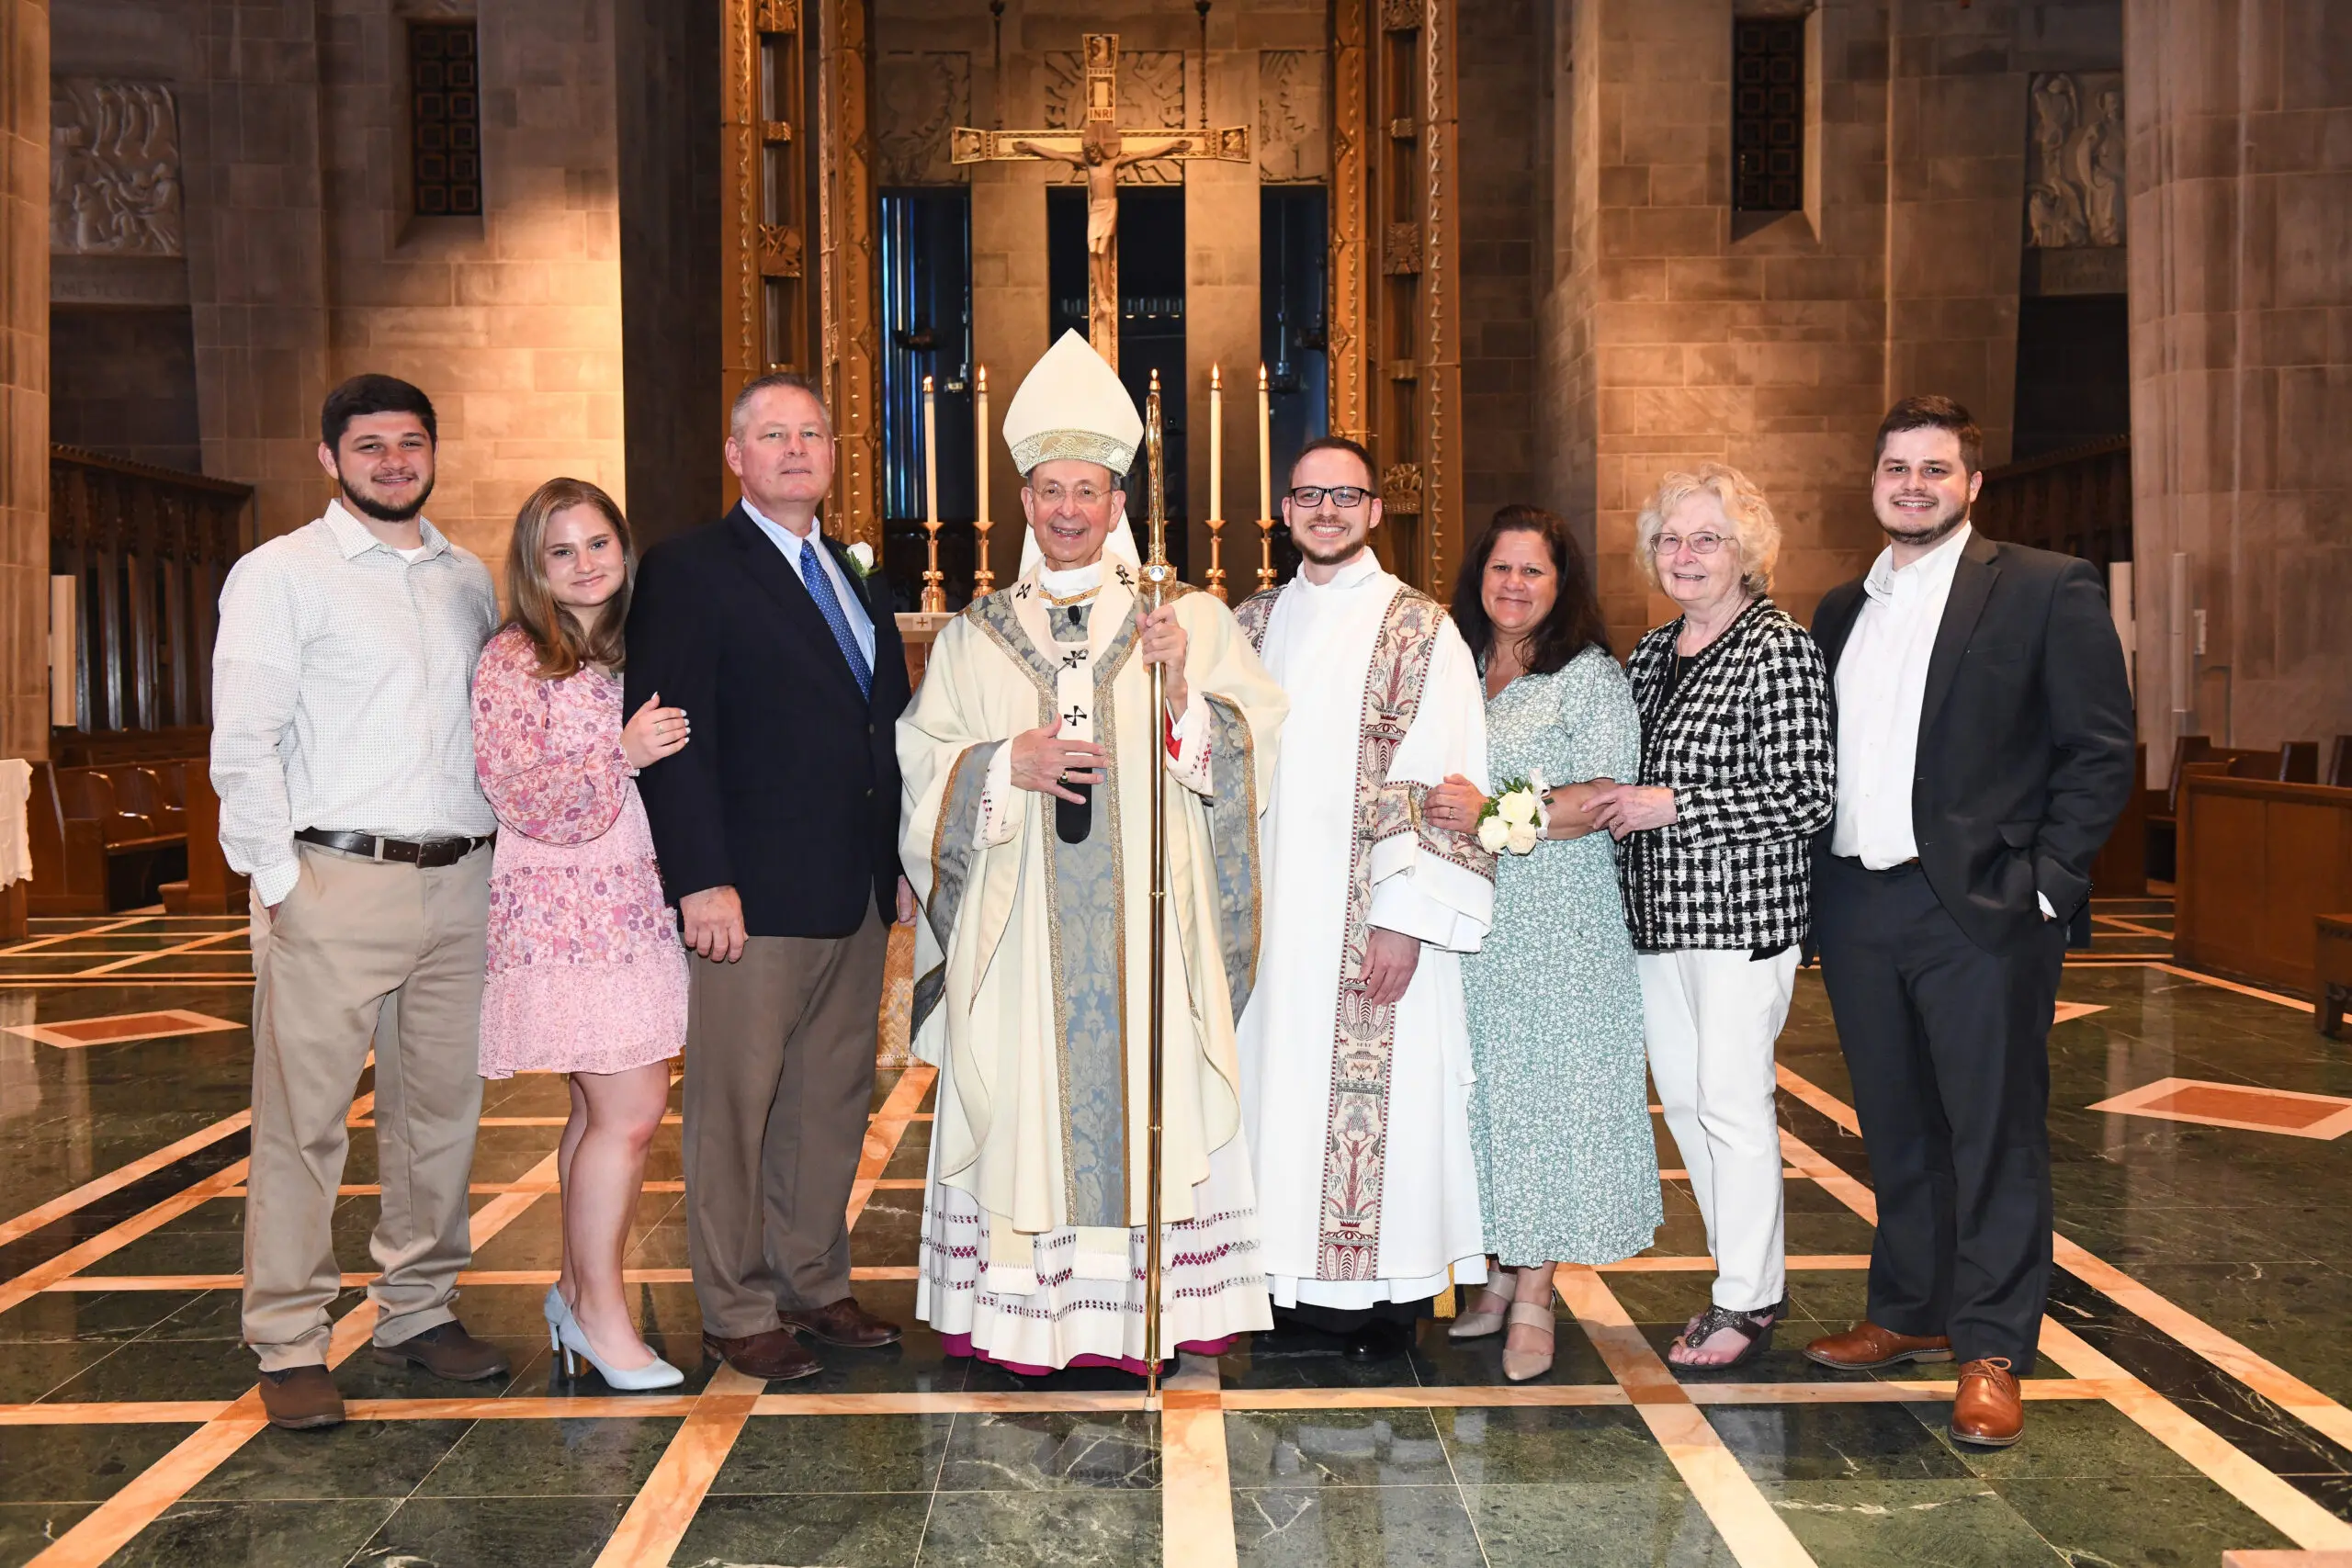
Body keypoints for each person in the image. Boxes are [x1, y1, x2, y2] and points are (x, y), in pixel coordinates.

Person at [898, 331, 1288, 1372]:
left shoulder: (1184, 620)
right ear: (1024, 502)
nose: (1069, 510)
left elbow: (1251, 756)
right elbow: (921, 764)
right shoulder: (976, 636)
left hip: (1149, 942)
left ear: (1119, 503)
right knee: (1024, 1104)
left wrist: (1181, 695)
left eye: (1090, 490)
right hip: (1020, 941)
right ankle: (1026, 1324)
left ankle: (1152, 1316)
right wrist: (994, 765)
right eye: (1050, 491)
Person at [1802, 397, 2132, 1448]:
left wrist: (2045, 883)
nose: (1913, 485)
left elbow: (2099, 749)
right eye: (1895, 467)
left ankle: (1990, 1345)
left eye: (1934, 469)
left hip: (1978, 906)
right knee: (1896, 1127)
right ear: (1872, 481)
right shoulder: (1837, 610)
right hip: (1858, 901)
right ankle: (1909, 1312)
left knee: (1992, 1135)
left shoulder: (2041, 587)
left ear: (1971, 485)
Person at [211, 374, 505, 1431]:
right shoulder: (279, 574)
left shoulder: (469, 577)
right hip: (334, 879)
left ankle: (419, 1311)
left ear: (434, 453)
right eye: (369, 445)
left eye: (411, 442)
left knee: (441, 1118)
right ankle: (288, 1338)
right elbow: (243, 744)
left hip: (461, 879)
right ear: (329, 459)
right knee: (304, 1126)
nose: (393, 461)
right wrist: (282, 885)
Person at [626, 373, 914, 1384]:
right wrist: (701, 878)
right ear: (736, 456)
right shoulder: (691, 568)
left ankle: (813, 1281)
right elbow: (672, 735)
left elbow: (885, 731)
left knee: (830, 1101)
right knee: (734, 1108)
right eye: (772, 435)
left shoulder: (855, 571)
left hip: (854, 890)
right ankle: (736, 1305)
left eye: (813, 435)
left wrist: (901, 866)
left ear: (834, 456)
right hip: (748, 893)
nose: (796, 449)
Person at [1234, 436, 1495, 1364]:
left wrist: (1401, 921)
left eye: (1346, 495)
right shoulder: (1249, 624)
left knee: (1378, 1099)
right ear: (1287, 510)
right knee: (1273, 1089)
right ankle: (1272, 1282)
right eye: (1308, 496)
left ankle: (1376, 1301)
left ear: (1377, 510)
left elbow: (1443, 780)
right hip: (1269, 924)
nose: (1327, 511)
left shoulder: (1420, 630)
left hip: (1368, 923)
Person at [1584, 464, 1835, 1371]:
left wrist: (1675, 804)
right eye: (1669, 539)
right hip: (1656, 919)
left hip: (1740, 919)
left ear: (1746, 552)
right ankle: (1734, 1279)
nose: (1684, 556)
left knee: (1732, 1103)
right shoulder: (1650, 653)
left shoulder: (1780, 648)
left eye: (1706, 539)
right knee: (1687, 1103)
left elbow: (1807, 796)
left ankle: (1748, 1298)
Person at [1423, 506, 1660, 1382]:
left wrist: (1494, 816)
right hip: (1473, 919)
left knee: (1553, 1099)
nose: (1513, 585)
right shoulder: (1456, 665)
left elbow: (1605, 792)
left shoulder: (1585, 675)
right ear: (1477, 576)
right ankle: (1492, 1277)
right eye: (1500, 568)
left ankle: (1537, 1294)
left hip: (1559, 917)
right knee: (1485, 1097)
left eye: (1533, 571)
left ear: (1561, 587)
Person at [473, 479, 692, 1391]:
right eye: (560, 551)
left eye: (597, 542)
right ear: (534, 566)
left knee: (600, 1112)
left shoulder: (636, 648)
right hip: (570, 907)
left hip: (637, 902)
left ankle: (574, 1293)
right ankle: (602, 1316)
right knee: (633, 1115)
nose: (584, 563)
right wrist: (622, 754)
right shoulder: (516, 659)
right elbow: (516, 789)